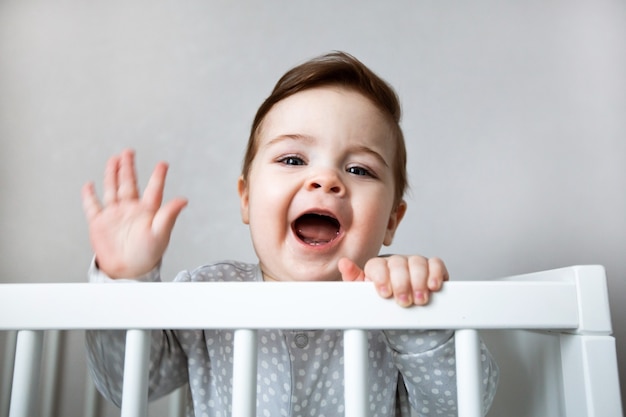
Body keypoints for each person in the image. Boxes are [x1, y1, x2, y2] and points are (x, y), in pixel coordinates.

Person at [82, 51, 499, 416]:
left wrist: (419, 314)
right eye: (293, 159)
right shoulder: (208, 291)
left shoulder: (396, 300)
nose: (326, 179)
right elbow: (129, 386)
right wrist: (127, 283)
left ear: (392, 220)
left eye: (358, 169)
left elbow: (463, 406)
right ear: (246, 199)